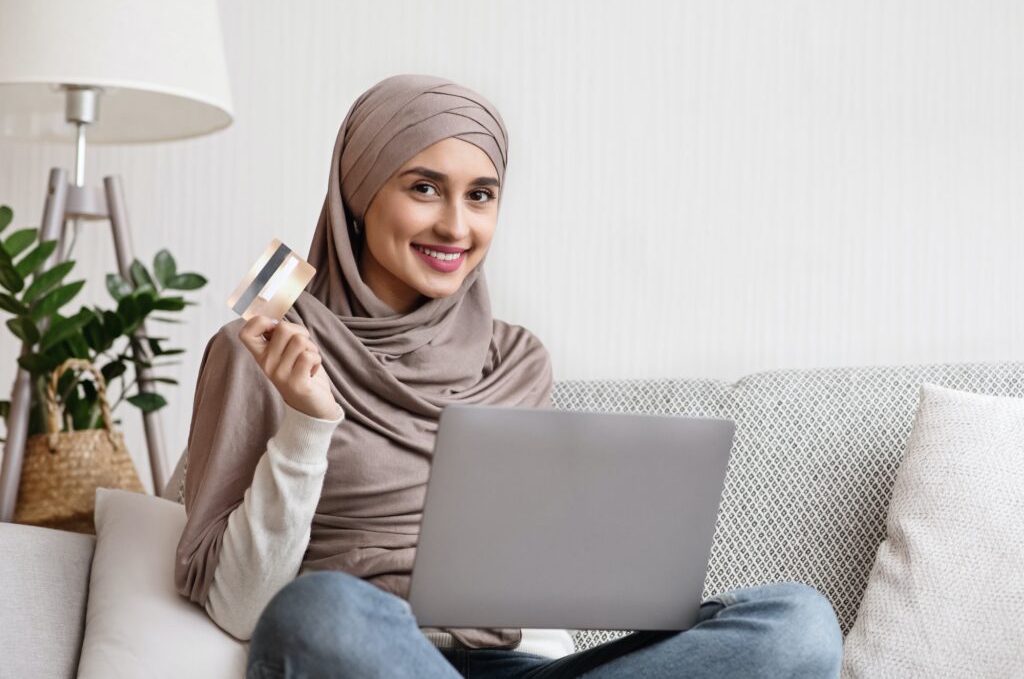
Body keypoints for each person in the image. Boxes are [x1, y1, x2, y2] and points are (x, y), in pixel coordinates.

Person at [174, 74, 843, 678]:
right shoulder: (260, 349)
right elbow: (241, 609)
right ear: (357, 190)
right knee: (318, 610)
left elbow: (530, 578)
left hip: (512, 668)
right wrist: (307, 423)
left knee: (797, 626)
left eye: (481, 195)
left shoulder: (517, 360)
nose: (456, 225)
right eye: (424, 187)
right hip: (363, 655)